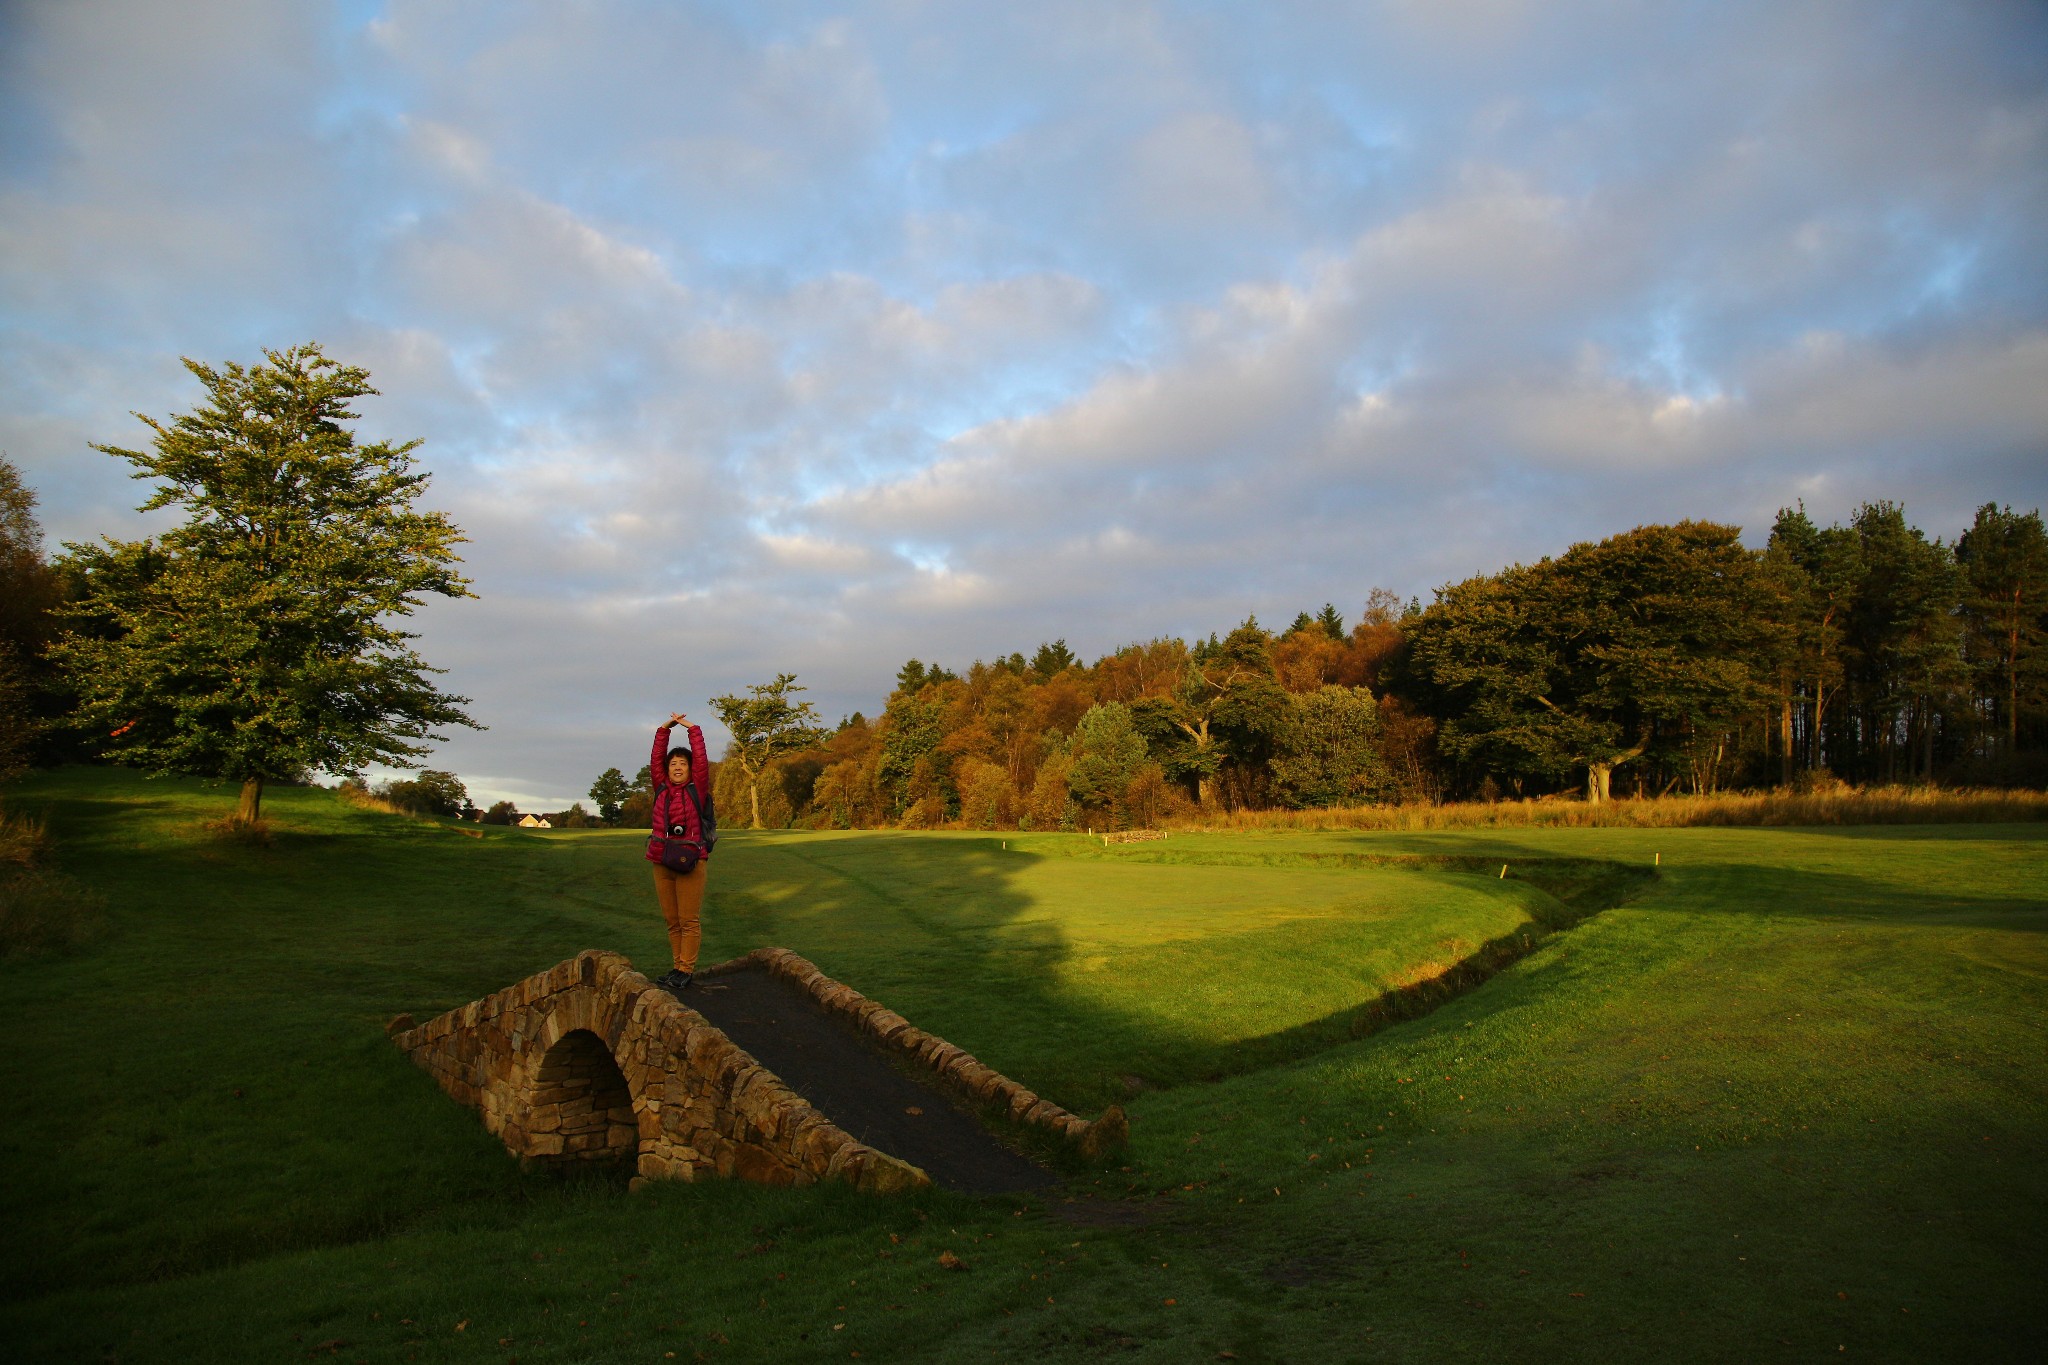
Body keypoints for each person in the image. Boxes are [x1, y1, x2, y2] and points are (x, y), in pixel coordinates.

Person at [647, 710, 711, 989]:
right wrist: (664, 730)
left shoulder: (698, 788)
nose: (676, 768)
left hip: (691, 859)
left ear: (689, 768)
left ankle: (686, 969)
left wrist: (691, 728)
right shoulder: (660, 787)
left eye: (682, 764)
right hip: (661, 859)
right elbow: (654, 760)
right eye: (673, 763)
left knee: (688, 920)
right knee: (672, 920)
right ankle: (676, 966)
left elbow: (701, 761)